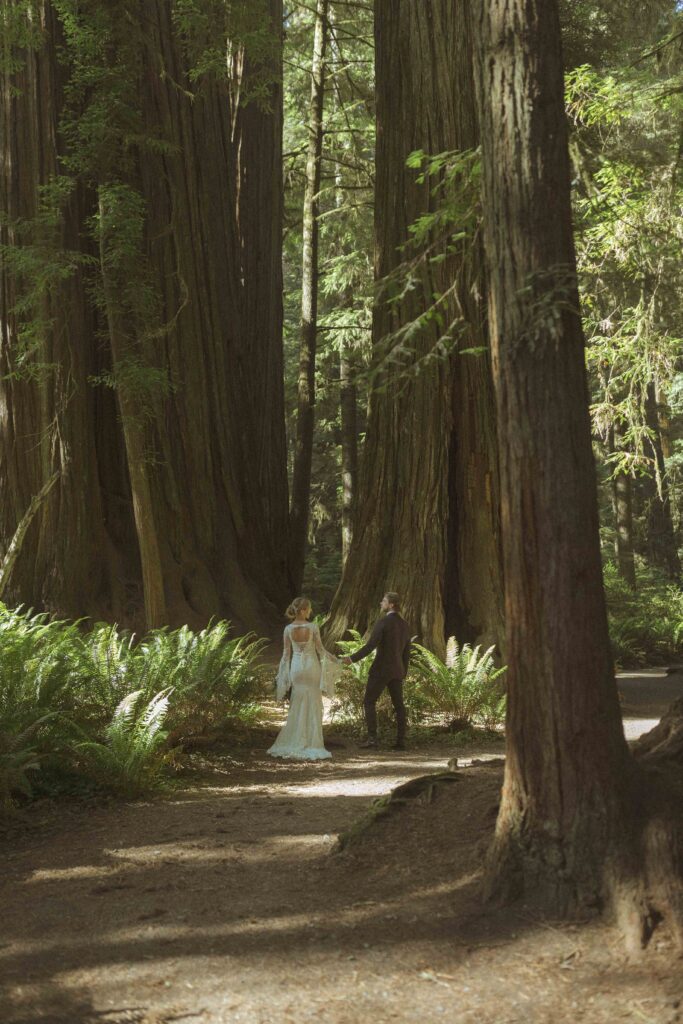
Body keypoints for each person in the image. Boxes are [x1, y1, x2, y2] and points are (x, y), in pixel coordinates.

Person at [268, 597, 341, 761]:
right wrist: (336, 660)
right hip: (311, 667)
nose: (310, 611)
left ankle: (295, 737)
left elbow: (286, 655)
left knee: (297, 701)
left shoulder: (288, 629)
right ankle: (312, 741)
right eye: (308, 609)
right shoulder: (313, 627)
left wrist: (282, 675)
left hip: (296, 669)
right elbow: (321, 651)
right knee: (313, 701)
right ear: (302, 610)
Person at [342, 592, 411, 750]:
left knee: (369, 701)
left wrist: (351, 659)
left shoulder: (383, 622)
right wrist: (403, 671)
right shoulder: (405, 624)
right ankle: (401, 741)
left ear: (391, 604)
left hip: (381, 669)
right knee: (399, 706)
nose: (381, 603)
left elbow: (370, 646)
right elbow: (407, 652)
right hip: (397, 671)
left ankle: (372, 739)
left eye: (384, 601)